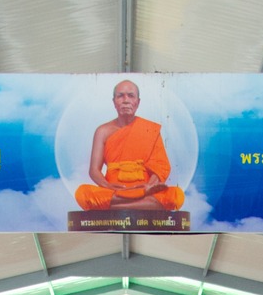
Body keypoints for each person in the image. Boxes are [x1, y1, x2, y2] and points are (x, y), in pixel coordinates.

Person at [73, 80, 186, 212]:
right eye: (120, 96)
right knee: (83, 193)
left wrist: (149, 185)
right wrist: (109, 186)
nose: (125, 100)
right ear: (114, 101)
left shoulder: (150, 129)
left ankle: (115, 207)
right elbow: (94, 170)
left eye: (130, 96)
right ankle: (140, 203)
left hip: (145, 187)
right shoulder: (102, 131)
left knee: (176, 195)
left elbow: (160, 166)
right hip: (115, 190)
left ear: (138, 102)